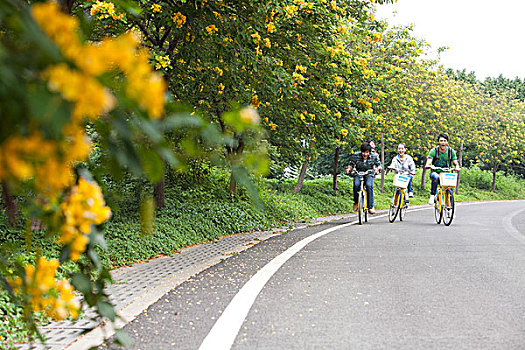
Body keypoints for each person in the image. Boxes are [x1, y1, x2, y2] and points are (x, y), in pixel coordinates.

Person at [346, 142, 382, 214]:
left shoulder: (374, 156)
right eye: (363, 152)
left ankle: (370, 206)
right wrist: (349, 169)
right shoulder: (356, 155)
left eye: (366, 152)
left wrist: (378, 169)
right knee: (356, 185)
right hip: (358, 172)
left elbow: (379, 165)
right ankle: (356, 202)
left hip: (369, 173)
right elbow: (351, 164)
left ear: (369, 152)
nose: (365, 154)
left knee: (369, 185)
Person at [424, 133, 460, 205]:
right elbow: (428, 163)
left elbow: (456, 163)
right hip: (436, 172)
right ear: (438, 142)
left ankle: (450, 206)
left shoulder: (450, 151)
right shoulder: (434, 151)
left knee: (449, 188)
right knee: (435, 177)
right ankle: (432, 195)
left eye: (444, 141)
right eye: (441, 141)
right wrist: (429, 166)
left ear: (447, 142)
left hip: (446, 173)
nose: (443, 142)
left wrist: (457, 167)